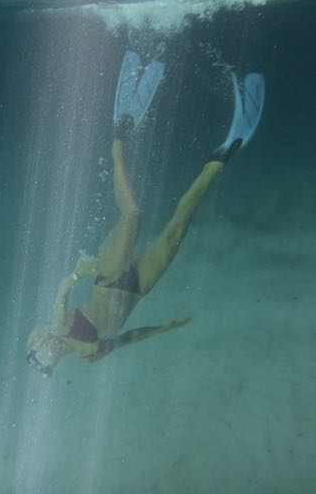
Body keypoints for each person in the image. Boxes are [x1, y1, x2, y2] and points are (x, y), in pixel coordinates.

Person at [26, 57, 265, 377]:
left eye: (38, 355)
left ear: (42, 344)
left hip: (108, 277)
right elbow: (128, 338)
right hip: (136, 289)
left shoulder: (58, 327)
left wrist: (76, 274)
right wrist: (164, 328)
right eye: (44, 365)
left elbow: (61, 294)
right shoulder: (88, 357)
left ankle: (117, 144)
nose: (46, 357)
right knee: (177, 231)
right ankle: (216, 163)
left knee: (133, 215)